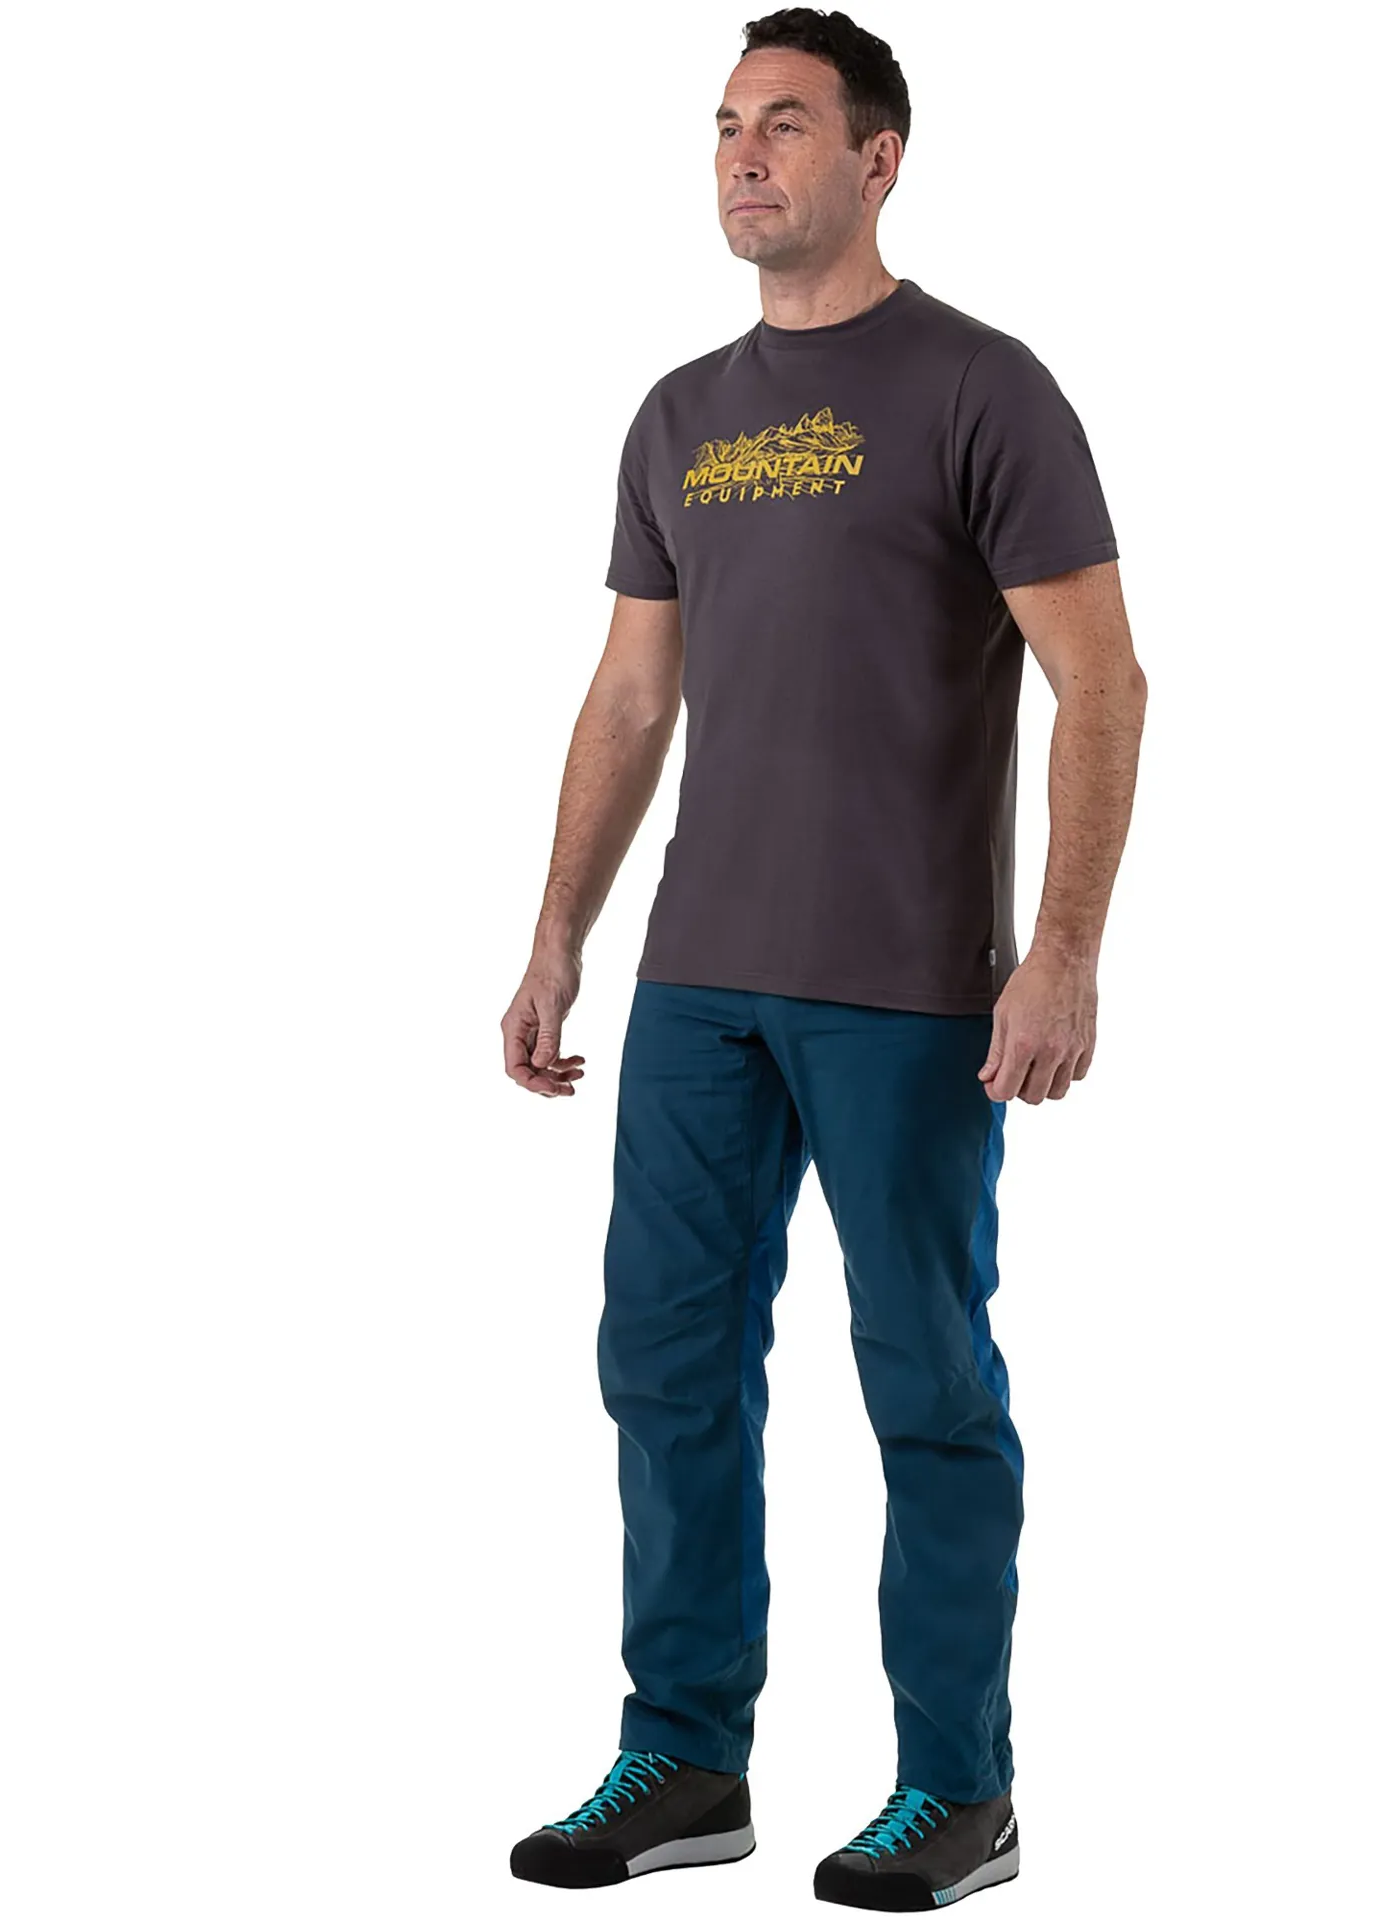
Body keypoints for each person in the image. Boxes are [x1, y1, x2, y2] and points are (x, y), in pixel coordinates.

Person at [502, 8, 1146, 1907]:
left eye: (785, 123)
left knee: (925, 1382)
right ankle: (687, 1756)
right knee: (663, 1365)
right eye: (724, 125)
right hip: (700, 979)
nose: (743, 154)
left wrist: (1063, 953)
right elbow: (633, 698)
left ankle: (960, 1791)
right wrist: (557, 934)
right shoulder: (678, 417)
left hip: (910, 988)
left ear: (880, 157)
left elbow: (1103, 683)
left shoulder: (982, 389)